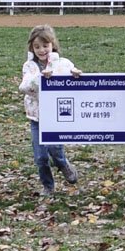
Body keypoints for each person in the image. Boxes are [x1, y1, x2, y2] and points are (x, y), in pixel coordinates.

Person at [18, 24, 80, 197]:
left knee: (55, 149)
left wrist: (76, 75)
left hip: (56, 117)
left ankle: (63, 164)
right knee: (40, 157)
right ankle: (48, 186)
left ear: (52, 44)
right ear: (32, 47)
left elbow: (74, 81)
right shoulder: (29, 67)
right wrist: (40, 79)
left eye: (45, 46)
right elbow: (25, 87)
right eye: (37, 47)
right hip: (36, 118)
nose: (41, 50)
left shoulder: (63, 63)